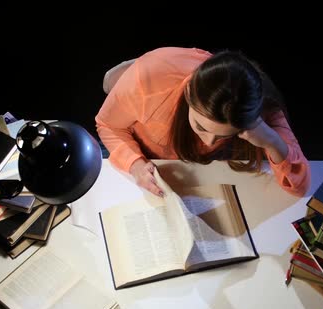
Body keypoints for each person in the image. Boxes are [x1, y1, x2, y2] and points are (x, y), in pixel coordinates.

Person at [95, 47, 311, 197]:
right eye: (201, 126)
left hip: (205, 173)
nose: (209, 143)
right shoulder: (151, 77)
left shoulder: (259, 108)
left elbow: (299, 186)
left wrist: (271, 140)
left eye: (225, 135)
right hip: (144, 156)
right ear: (189, 93)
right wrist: (135, 164)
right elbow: (108, 125)